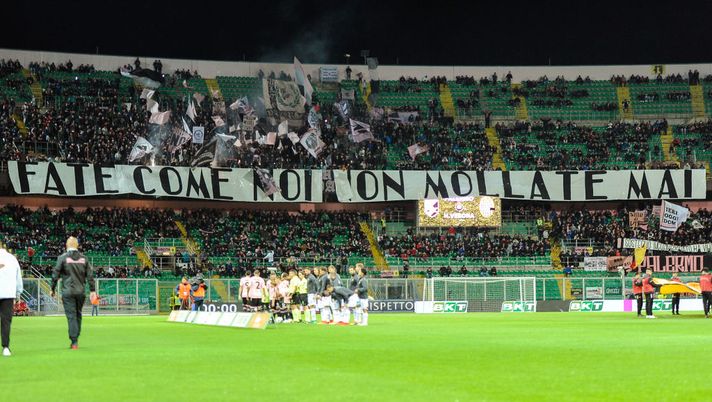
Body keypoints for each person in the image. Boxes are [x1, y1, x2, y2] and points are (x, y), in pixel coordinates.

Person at [51, 237, 96, 349]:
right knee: (78, 314)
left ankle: (74, 341)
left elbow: (55, 274)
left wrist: (53, 288)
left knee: (71, 316)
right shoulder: (84, 259)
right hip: (80, 291)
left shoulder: (62, 258)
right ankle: (76, 336)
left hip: (68, 291)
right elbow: (90, 276)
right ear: (77, 245)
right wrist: (92, 290)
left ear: (66, 245)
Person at [0, 243, 23, 357]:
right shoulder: (12, 258)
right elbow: (18, 277)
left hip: (7, 292)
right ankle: (5, 347)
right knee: (6, 321)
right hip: (7, 294)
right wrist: (18, 292)